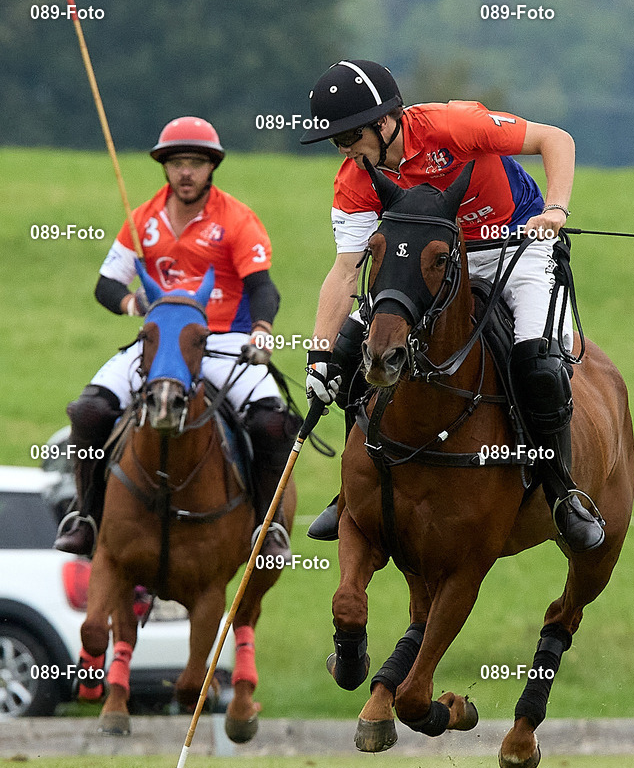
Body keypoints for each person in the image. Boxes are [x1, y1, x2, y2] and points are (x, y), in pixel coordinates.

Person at [300, 59, 604, 553]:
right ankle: (354, 487)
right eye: (336, 140)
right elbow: (344, 271)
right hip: (430, 265)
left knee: (540, 367)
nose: (344, 149)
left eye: (350, 136)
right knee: (354, 351)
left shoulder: (452, 126)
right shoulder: (355, 179)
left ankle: (561, 491)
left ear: (386, 121)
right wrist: (319, 354)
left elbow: (556, 139)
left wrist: (555, 208)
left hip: (515, 246)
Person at [55, 116, 295, 558]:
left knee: (273, 424)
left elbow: (263, 287)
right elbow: (106, 285)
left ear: (212, 167)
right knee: (88, 412)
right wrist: (133, 304)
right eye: (177, 163)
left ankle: (269, 525)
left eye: (196, 163)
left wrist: (261, 331)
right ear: (164, 166)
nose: (186, 172)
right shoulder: (142, 218)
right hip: (159, 344)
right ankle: (86, 516)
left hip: (223, 341)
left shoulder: (237, 219)